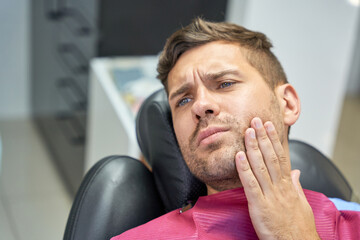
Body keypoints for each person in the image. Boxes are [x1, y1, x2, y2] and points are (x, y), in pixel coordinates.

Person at [112, 18, 360, 239]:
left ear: (287, 103)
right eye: (183, 100)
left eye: (225, 83)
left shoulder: (352, 219)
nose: (201, 105)